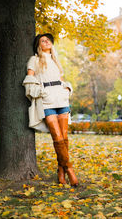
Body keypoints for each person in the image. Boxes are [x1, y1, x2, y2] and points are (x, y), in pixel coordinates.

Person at [22, 33, 78, 187]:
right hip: (46, 101)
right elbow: (29, 80)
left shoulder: (55, 61)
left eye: (48, 40)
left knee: (64, 137)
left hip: (61, 98)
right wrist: (39, 92)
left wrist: (66, 88)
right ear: (38, 45)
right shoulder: (34, 59)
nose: (46, 42)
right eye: (43, 40)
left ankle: (61, 170)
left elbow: (60, 79)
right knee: (58, 137)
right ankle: (69, 169)